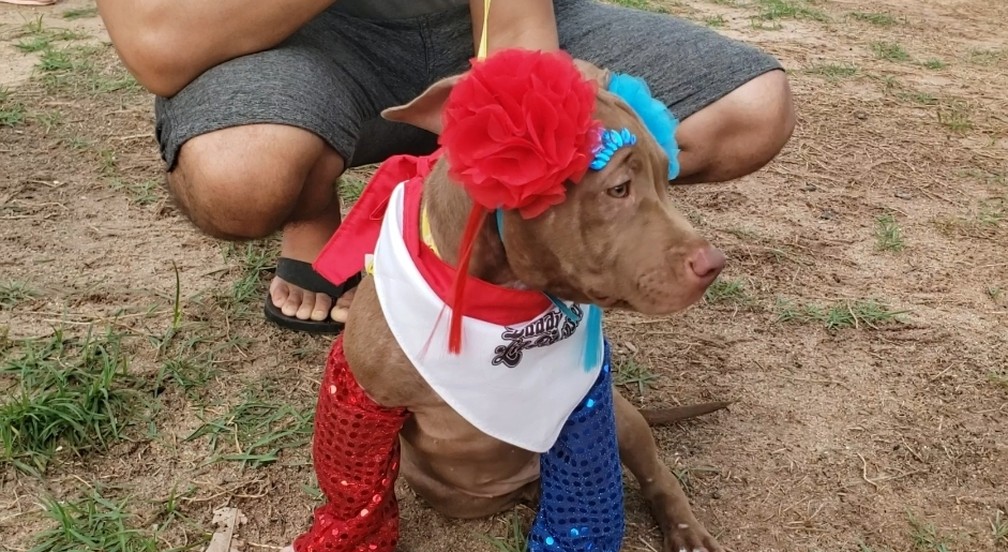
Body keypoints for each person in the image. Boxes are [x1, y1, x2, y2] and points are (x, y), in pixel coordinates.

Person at [95, 0, 794, 334]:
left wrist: (537, 125)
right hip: (295, 39)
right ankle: (314, 213)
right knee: (239, 176)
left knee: (749, 110)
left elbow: (518, 33)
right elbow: (158, 41)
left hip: (473, 26)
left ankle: (429, 215)